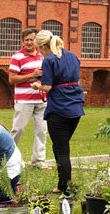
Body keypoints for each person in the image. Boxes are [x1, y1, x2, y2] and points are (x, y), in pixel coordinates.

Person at [31, 30, 85, 199]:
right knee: (59, 147)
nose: (39, 52)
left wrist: (36, 86)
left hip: (59, 108)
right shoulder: (73, 56)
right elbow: (66, 75)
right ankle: (61, 184)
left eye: (39, 49)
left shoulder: (49, 60)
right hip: (75, 107)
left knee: (62, 151)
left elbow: (47, 87)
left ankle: (68, 191)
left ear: (44, 46)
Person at [9, 28, 48, 169]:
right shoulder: (17, 57)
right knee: (18, 129)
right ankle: (8, 157)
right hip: (24, 100)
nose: (29, 42)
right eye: (27, 40)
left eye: (32, 39)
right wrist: (32, 75)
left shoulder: (43, 56)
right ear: (23, 41)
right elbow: (12, 79)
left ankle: (39, 162)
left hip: (42, 99)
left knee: (41, 131)